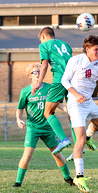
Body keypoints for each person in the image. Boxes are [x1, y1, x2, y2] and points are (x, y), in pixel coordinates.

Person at [61, 35, 98, 193]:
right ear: (87, 49)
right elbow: (64, 81)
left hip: (88, 101)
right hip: (75, 101)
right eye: (95, 49)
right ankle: (79, 177)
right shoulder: (75, 60)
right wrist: (76, 95)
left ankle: (89, 138)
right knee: (79, 139)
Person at [13, 63, 74, 187]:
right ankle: (18, 182)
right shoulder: (25, 91)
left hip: (48, 127)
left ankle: (68, 178)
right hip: (33, 128)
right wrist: (18, 119)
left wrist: (68, 110)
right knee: (27, 154)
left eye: (40, 71)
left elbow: (59, 103)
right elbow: (19, 108)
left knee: (57, 154)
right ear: (29, 75)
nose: (37, 74)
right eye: (35, 72)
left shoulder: (50, 88)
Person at [31, 27, 72, 155]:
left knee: (47, 112)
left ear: (43, 37)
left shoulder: (44, 46)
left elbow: (44, 65)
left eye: (40, 40)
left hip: (60, 80)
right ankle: (78, 149)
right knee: (72, 115)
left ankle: (63, 139)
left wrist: (38, 83)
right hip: (72, 81)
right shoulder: (66, 45)